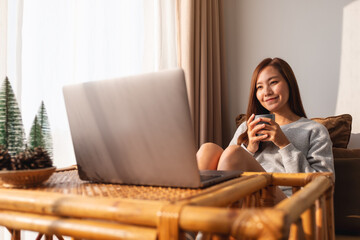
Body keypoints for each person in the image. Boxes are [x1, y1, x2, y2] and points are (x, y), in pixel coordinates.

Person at [196, 57, 334, 202]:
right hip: (245, 196)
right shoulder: (247, 127)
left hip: (288, 204)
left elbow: (325, 185)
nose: (266, 92)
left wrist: (285, 145)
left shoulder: (315, 130)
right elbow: (224, 167)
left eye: (273, 82)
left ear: (289, 83)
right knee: (208, 149)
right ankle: (197, 217)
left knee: (233, 152)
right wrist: (250, 149)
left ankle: (208, 217)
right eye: (259, 87)